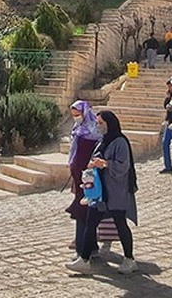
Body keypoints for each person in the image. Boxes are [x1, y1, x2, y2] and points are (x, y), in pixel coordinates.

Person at [66, 110, 138, 275]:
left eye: (101, 123)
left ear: (109, 124)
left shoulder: (120, 142)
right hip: (100, 193)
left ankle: (129, 259)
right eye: (97, 123)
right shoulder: (102, 141)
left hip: (115, 192)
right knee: (91, 224)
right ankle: (84, 260)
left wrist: (104, 163)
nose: (98, 126)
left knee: (121, 225)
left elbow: (123, 166)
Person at [65, 101, 102, 256]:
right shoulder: (78, 128)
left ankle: (84, 248)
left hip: (88, 178)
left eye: (78, 115)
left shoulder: (94, 130)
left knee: (85, 210)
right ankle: (88, 244)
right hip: (78, 176)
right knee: (83, 210)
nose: (76, 118)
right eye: (73, 116)